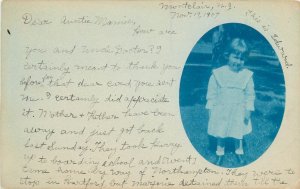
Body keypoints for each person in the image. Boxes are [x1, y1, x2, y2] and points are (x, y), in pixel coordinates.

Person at [205, 38, 255, 166]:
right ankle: (220, 152)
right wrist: (211, 110)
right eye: (235, 57)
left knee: (238, 132)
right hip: (221, 109)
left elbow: (250, 95)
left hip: (239, 109)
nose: (238, 62)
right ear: (228, 56)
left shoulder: (246, 76)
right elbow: (212, 95)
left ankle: (239, 151)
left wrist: (248, 110)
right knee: (220, 131)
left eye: (241, 59)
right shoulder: (218, 74)